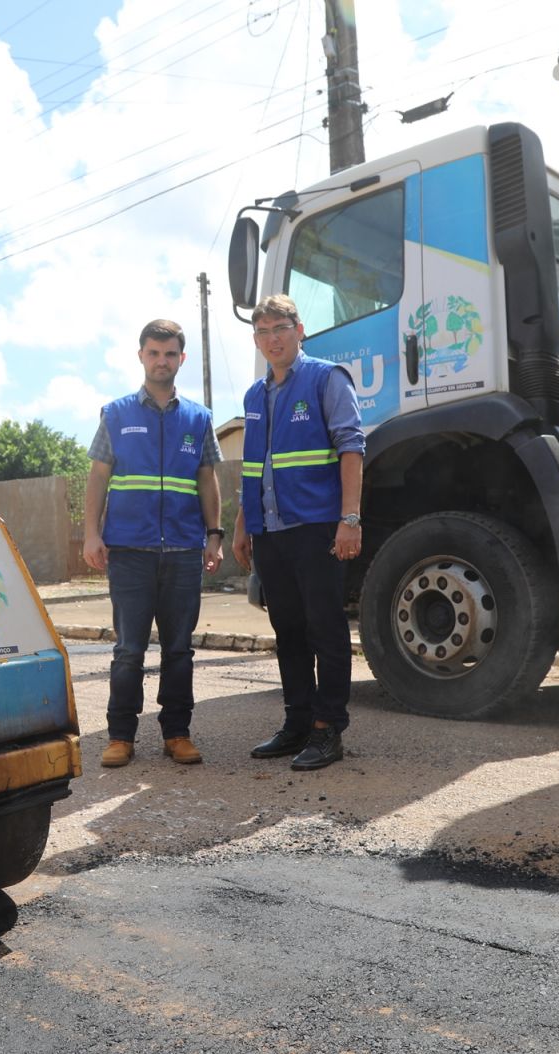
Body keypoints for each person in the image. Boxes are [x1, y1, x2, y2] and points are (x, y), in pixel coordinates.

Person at [230, 294, 364, 771]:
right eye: (263, 331)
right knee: (287, 631)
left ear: (299, 329)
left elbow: (351, 448)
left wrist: (350, 520)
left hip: (317, 528)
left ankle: (329, 730)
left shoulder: (327, 378)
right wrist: (245, 525)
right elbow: (255, 466)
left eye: (280, 328)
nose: (272, 338)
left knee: (324, 628)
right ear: (256, 339)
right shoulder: (253, 396)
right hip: (270, 531)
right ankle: (297, 723)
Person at [83, 319, 225, 768]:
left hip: (183, 550)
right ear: (141, 356)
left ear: (181, 359)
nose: (161, 361)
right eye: (153, 353)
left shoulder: (199, 419)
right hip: (128, 551)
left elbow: (208, 481)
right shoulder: (116, 413)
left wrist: (214, 536)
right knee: (128, 649)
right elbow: (98, 479)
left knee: (179, 648)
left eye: (170, 354)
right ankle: (121, 735)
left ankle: (177, 734)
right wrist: (91, 533)